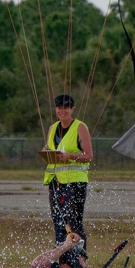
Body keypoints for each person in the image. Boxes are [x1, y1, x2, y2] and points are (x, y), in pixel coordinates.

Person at [43, 93, 93, 249]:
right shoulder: (52, 128)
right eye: (59, 107)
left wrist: (70, 156)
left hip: (75, 181)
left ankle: (79, 257)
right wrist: (45, 152)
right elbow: (49, 147)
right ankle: (60, 255)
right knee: (58, 220)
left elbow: (89, 156)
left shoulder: (80, 127)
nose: (61, 111)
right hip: (56, 180)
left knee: (73, 221)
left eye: (65, 107)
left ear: (72, 109)